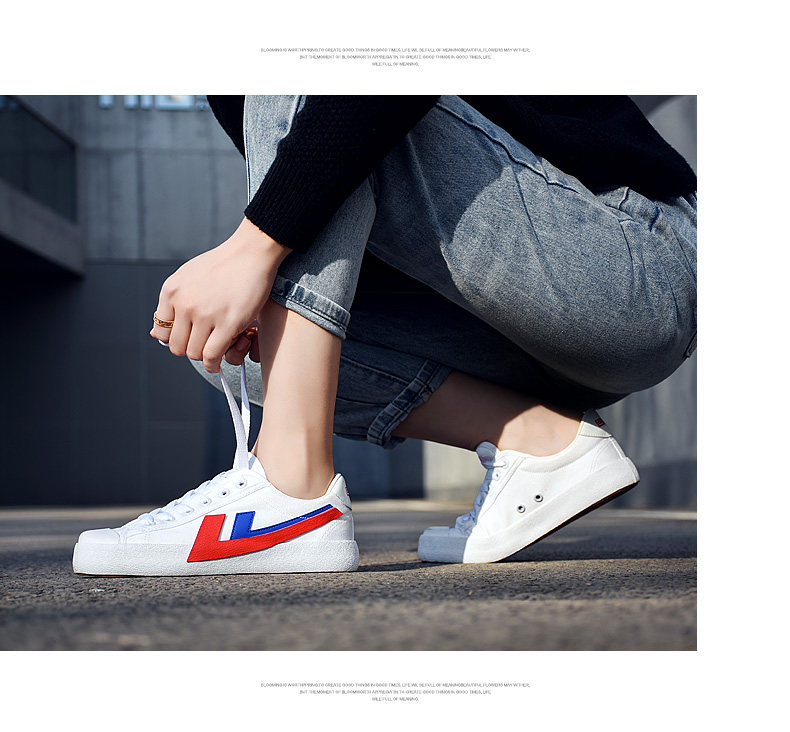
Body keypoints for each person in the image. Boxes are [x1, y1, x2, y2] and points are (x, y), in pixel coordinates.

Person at [72, 95, 697, 576]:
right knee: (245, 350)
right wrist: (269, 298)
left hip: (632, 261)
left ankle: (290, 491)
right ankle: (541, 440)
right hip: (523, 321)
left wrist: (252, 250)